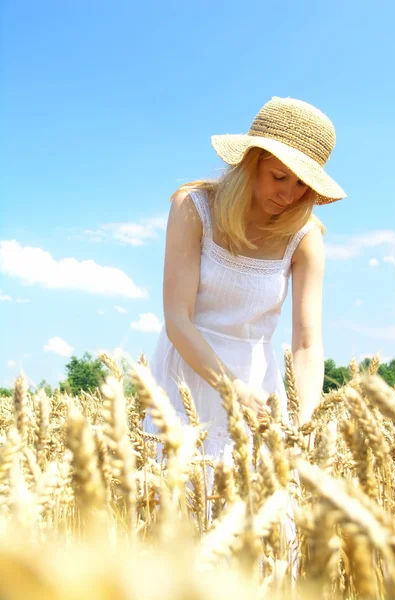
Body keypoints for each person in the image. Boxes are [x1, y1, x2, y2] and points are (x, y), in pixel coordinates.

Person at [143, 96, 346, 467]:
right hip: (189, 373)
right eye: (279, 176)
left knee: (263, 510)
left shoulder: (306, 238)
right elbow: (177, 318)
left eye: (302, 185)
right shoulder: (194, 207)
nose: (289, 195)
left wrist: (302, 420)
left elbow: (306, 343)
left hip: (261, 385)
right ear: (251, 162)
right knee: (180, 505)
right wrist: (231, 388)